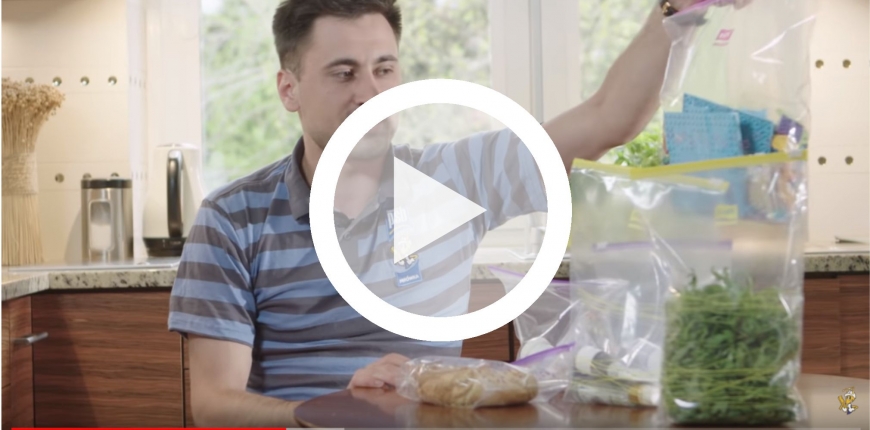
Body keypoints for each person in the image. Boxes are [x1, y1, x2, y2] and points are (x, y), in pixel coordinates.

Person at [168, 0, 699, 426]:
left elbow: (609, 118)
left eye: (384, 69)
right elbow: (213, 403)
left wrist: (676, 9)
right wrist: (331, 413)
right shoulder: (232, 219)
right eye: (344, 73)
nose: (371, 94)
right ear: (290, 89)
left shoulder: (452, 182)